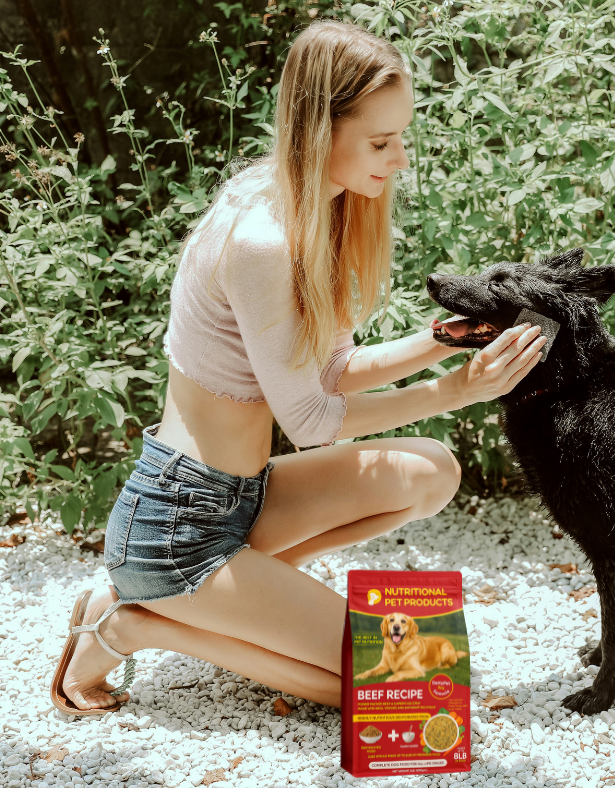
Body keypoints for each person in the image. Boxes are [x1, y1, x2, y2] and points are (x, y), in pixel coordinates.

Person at [50, 19, 546, 714]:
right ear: (321, 129)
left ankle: (215, 601)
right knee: (402, 690)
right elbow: (312, 420)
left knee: (433, 470)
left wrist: (444, 338)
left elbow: (335, 369)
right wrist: (456, 389)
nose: (398, 158)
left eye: (400, 137)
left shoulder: (313, 206)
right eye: (380, 141)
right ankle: (132, 620)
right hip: (177, 529)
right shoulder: (261, 240)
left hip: (240, 501)